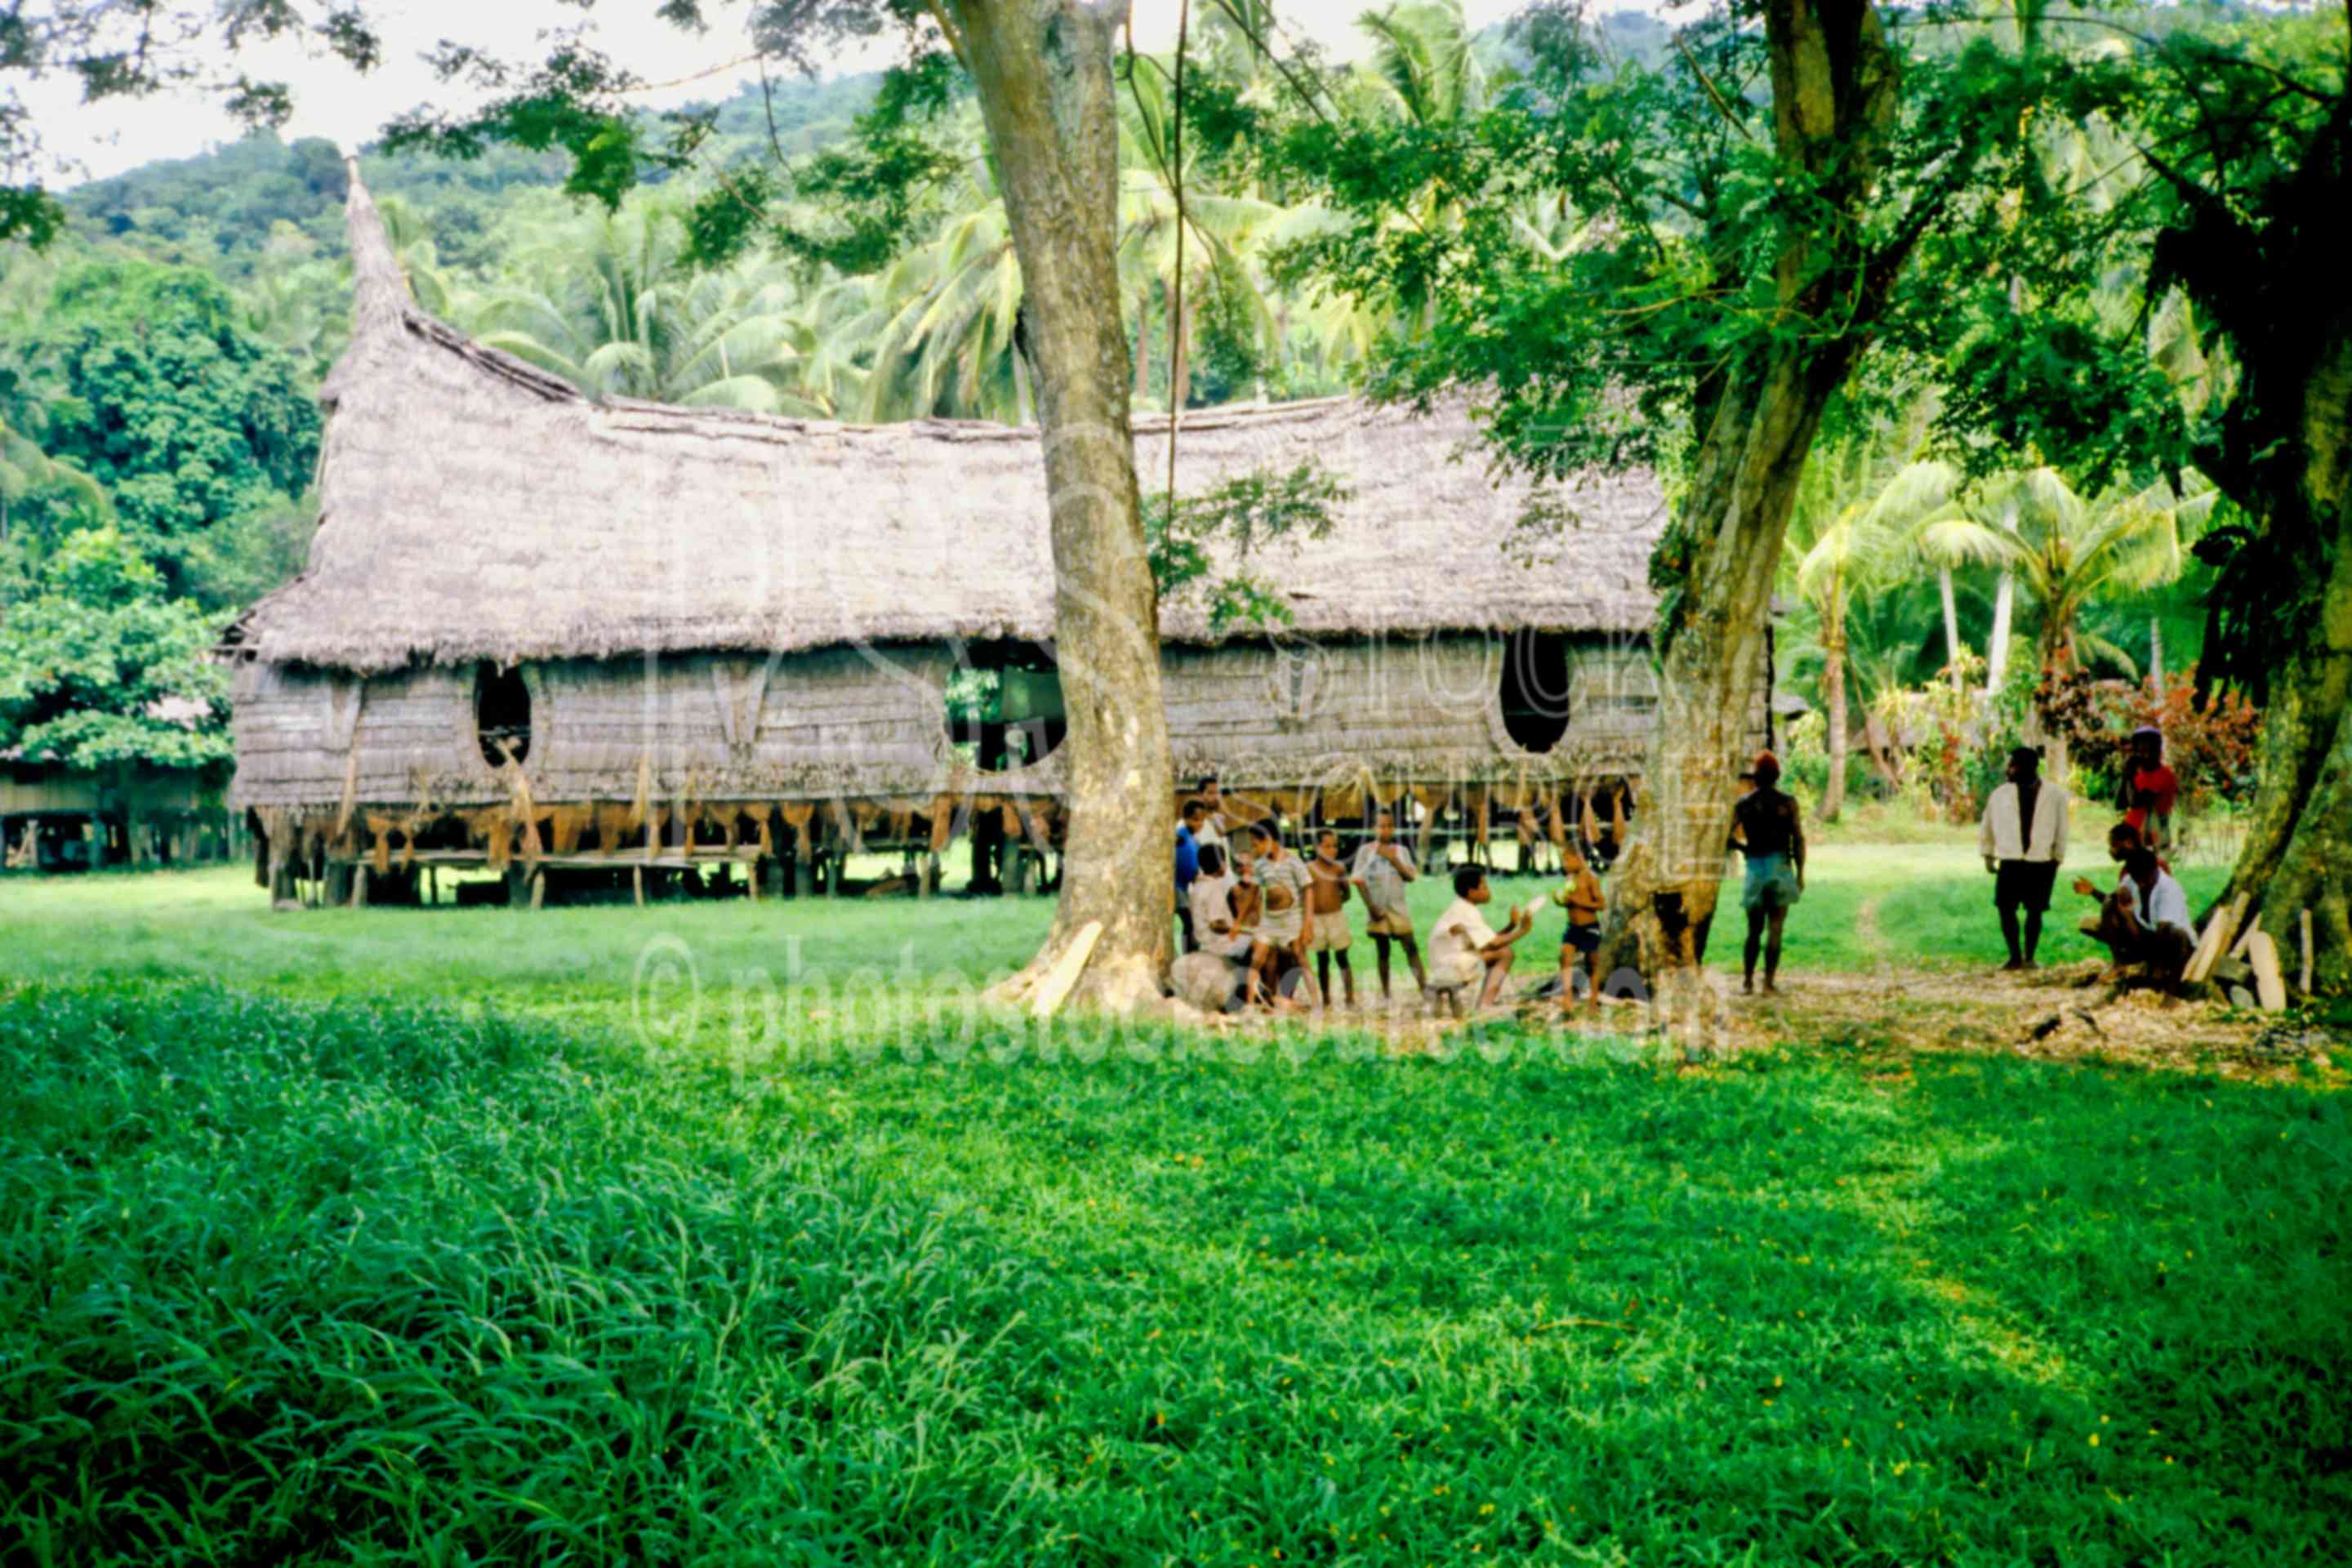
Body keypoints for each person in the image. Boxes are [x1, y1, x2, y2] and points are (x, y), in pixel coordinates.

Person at [1978, 745, 2068, 971]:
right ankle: (2014, 957)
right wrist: (1988, 854)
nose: (2008, 770)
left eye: (2013, 766)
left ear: (2029, 767)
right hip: (2010, 859)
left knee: (2035, 910)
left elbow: (2062, 828)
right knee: (2005, 908)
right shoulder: (1999, 795)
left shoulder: (2054, 795)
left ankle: (2030, 957)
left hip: (2041, 860)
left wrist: (2057, 857)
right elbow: (1987, 825)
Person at [1729, 751, 1805, 995]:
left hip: (1755, 868)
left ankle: (1747, 982)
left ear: (1756, 777)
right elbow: (1798, 840)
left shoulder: (1744, 804)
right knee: (1775, 929)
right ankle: (1768, 984)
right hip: (1780, 867)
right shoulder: (1788, 803)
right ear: (1777, 776)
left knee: (1753, 930)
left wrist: (1744, 849)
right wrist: (1800, 873)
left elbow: (1726, 836)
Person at [2082, 846, 2196, 991]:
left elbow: (2164, 931)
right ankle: (2119, 964)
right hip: (2148, 937)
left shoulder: (2169, 890)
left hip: (2173, 946)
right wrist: (2099, 894)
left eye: (2144, 879)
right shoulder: (2132, 879)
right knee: (2109, 904)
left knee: (2178, 934)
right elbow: (2112, 900)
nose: (2140, 884)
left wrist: (2155, 970)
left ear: (2154, 870)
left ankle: (2165, 980)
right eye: (2136, 879)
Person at [1428, 864, 1532, 1017]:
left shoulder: (1461, 907)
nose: (1488, 891)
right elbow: (1493, 944)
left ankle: (1482, 1002)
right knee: (1506, 953)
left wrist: (1511, 926)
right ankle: (1486, 1004)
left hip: (1443, 964)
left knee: (1499, 951)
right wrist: (1523, 931)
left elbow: (1487, 942)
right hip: (1451, 966)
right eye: (1484, 887)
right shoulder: (1467, 912)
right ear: (1472, 892)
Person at [1350, 809, 1427, 1001]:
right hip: (1377, 909)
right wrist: (1371, 908)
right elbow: (1359, 881)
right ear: (1373, 828)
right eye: (1381, 826)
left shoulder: (1401, 851)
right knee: (1383, 951)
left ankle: (1425, 989)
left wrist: (1394, 860)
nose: (1385, 830)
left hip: (1398, 909)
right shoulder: (1366, 851)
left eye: (1389, 826)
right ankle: (1386, 994)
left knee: (1411, 947)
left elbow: (1410, 877)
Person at [1247, 821, 1315, 1009]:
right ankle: (1252, 1004)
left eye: (1255, 844)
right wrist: (1239, 922)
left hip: (1292, 920)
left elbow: (1308, 889)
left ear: (1268, 840)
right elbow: (1253, 893)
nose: (1253, 849)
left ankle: (1316, 1002)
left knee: (1300, 958)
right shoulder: (1260, 864)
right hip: (1270, 921)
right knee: (1258, 959)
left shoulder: (1293, 862)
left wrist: (1308, 923)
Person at [1179, 843, 1252, 1012]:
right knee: (1257, 946)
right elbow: (1216, 924)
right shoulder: (1214, 889)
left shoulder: (1198, 886)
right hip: (1218, 943)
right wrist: (1241, 930)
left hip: (1204, 939)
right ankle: (1242, 996)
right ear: (1221, 865)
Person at [1549, 841, 1606, 1010]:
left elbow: (1601, 905)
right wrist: (1561, 901)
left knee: (1592, 963)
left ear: (1579, 858)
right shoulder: (1570, 878)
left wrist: (1579, 902)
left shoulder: (1591, 878)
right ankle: (1567, 998)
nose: (1564, 865)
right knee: (1564, 958)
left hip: (1589, 927)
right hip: (1572, 927)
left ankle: (1594, 998)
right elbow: (1571, 903)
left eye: (1567, 860)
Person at [1305, 828, 1358, 1008]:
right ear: (1316, 847)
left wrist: (1334, 903)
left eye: (1335, 846)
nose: (1332, 850)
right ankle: (1326, 997)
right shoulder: (1309, 869)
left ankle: (1349, 997)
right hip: (1317, 919)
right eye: (1326, 846)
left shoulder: (1339, 868)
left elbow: (1347, 893)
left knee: (1342, 956)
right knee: (1322, 959)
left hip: (1336, 918)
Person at [2117, 728, 2179, 854]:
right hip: (2132, 838)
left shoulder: (2165, 775)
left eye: (2149, 751)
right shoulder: (2138, 775)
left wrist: (2129, 776)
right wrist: (2126, 776)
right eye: (2141, 752)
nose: (2145, 756)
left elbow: (2137, 802)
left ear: (2158, 752)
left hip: (2154, 839)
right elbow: (2120, 804)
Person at [1174, 800, 1205, 953]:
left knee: (1192, 923)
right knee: (1189, 921)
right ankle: (1188, 953)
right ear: (1185, 819)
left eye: (1202, 820)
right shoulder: (1180, 836)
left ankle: (1191, 952)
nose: (1199, 824)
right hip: (1176, 888)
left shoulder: (1194, 840)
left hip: (1186, 888)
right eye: (1195, 819)